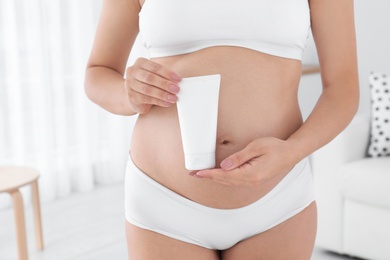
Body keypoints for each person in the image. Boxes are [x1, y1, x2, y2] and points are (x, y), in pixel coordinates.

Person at [84, 0, 359, 259]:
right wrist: (127, 93)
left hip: (276, 201)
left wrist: (292, 152)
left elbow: (343, 89)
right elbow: (97, 72)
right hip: (163, 202)